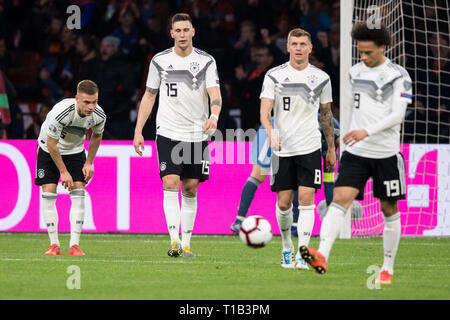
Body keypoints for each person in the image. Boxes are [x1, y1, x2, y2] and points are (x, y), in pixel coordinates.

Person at [300, 23, 413, 285]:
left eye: (369, 53)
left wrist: (366, 131)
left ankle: (387, 268)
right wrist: (346, 137)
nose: (363, 57)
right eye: (360, 52)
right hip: (356, 152)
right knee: (340, 199)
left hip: (385, 153)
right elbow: (353, 109)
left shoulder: (399, 75)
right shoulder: (354, 72)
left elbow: (398, 115)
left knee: (388, 208)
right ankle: (321, 255)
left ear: (383, 48)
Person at [133, 13, 222, 258]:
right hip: (168, 130)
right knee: (170, 182)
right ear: (171, 33)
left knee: (190, 188)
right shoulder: (160, 61)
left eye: (186, 30)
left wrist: (214, 116)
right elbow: (149, 95)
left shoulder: (206, 61)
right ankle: (174, 241)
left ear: (193, 31)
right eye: (178, 30)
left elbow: (215, 94)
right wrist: (139, 130)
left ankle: (187, 243)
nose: (182, 34)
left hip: (197, 133)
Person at [260, 28, 336, 270]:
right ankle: (286, 245)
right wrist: (271, 131)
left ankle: (303, 253)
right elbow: (265, 110)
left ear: (310, 48)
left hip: (310, 146)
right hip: (282, 149)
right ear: (288, 47)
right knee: (284, 204)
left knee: (306, 199)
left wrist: (331, 148)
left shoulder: (322, 78)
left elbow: (326, 115)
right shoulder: (274, 75)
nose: (299, 48)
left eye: (303, 44)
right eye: (294, 44)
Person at [35, 80, 106, 256]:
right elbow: (52, 144)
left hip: (75, 151)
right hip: (48, 148)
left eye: (94, 102)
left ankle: (75, 245)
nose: (91, 107)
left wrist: (89, 162)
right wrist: (63, 171)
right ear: (76, 99)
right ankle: (54, 245)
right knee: (49, 192)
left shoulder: (99, 115)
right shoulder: (62, 113)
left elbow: (97, 136)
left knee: (78, 191)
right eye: (87, 102)